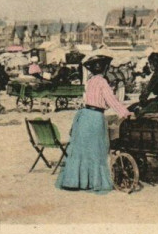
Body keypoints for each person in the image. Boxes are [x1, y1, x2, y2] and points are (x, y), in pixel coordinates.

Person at [56, 55, 132, 193]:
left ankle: (77, 181)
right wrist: (126, 113)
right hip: (96, 117)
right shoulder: (102, 82)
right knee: (96, 150)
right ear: (105, 69)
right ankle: (94, 181)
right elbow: (112, 101)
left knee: (83, 150)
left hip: (84, 115)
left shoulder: (90, 81)